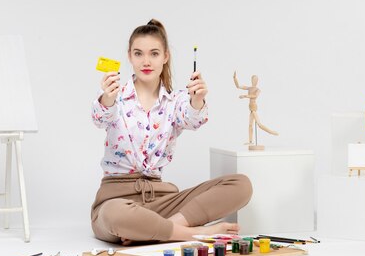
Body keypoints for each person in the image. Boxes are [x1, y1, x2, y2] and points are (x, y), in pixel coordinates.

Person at [90, 19, 252, 244]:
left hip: (163, 202)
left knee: (241, 185)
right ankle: (193, 234)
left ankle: (157, 229)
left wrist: (197, 99)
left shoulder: (176, 101)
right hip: (116, 200)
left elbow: (194, 119)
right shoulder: (114, 95)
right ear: (129, 57)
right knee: (115, 215)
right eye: (138, 54)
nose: (146, 61)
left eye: (154, 54)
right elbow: (100, 117)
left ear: (165, 57)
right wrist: (107, 98)